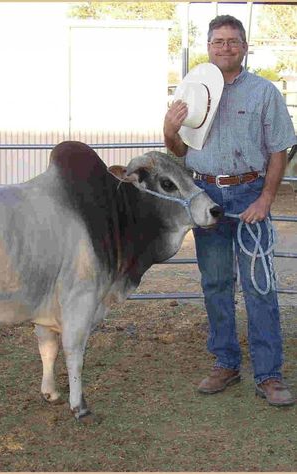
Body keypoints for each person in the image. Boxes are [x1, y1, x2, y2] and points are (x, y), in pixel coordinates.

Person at [163, 15, 297, 406]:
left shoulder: (264, 93)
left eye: (232, 41)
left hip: (250, 193)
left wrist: (266, 199)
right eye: (218, 41)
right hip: (206, 196)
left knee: (259, 285)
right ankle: (225, 362)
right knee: (216, 283)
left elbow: (279, 150)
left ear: (244, 46)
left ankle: (270, 374)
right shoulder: (190, 92)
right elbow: (180, 152)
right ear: (209, 47)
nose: (225, 47)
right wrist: (169, 130)